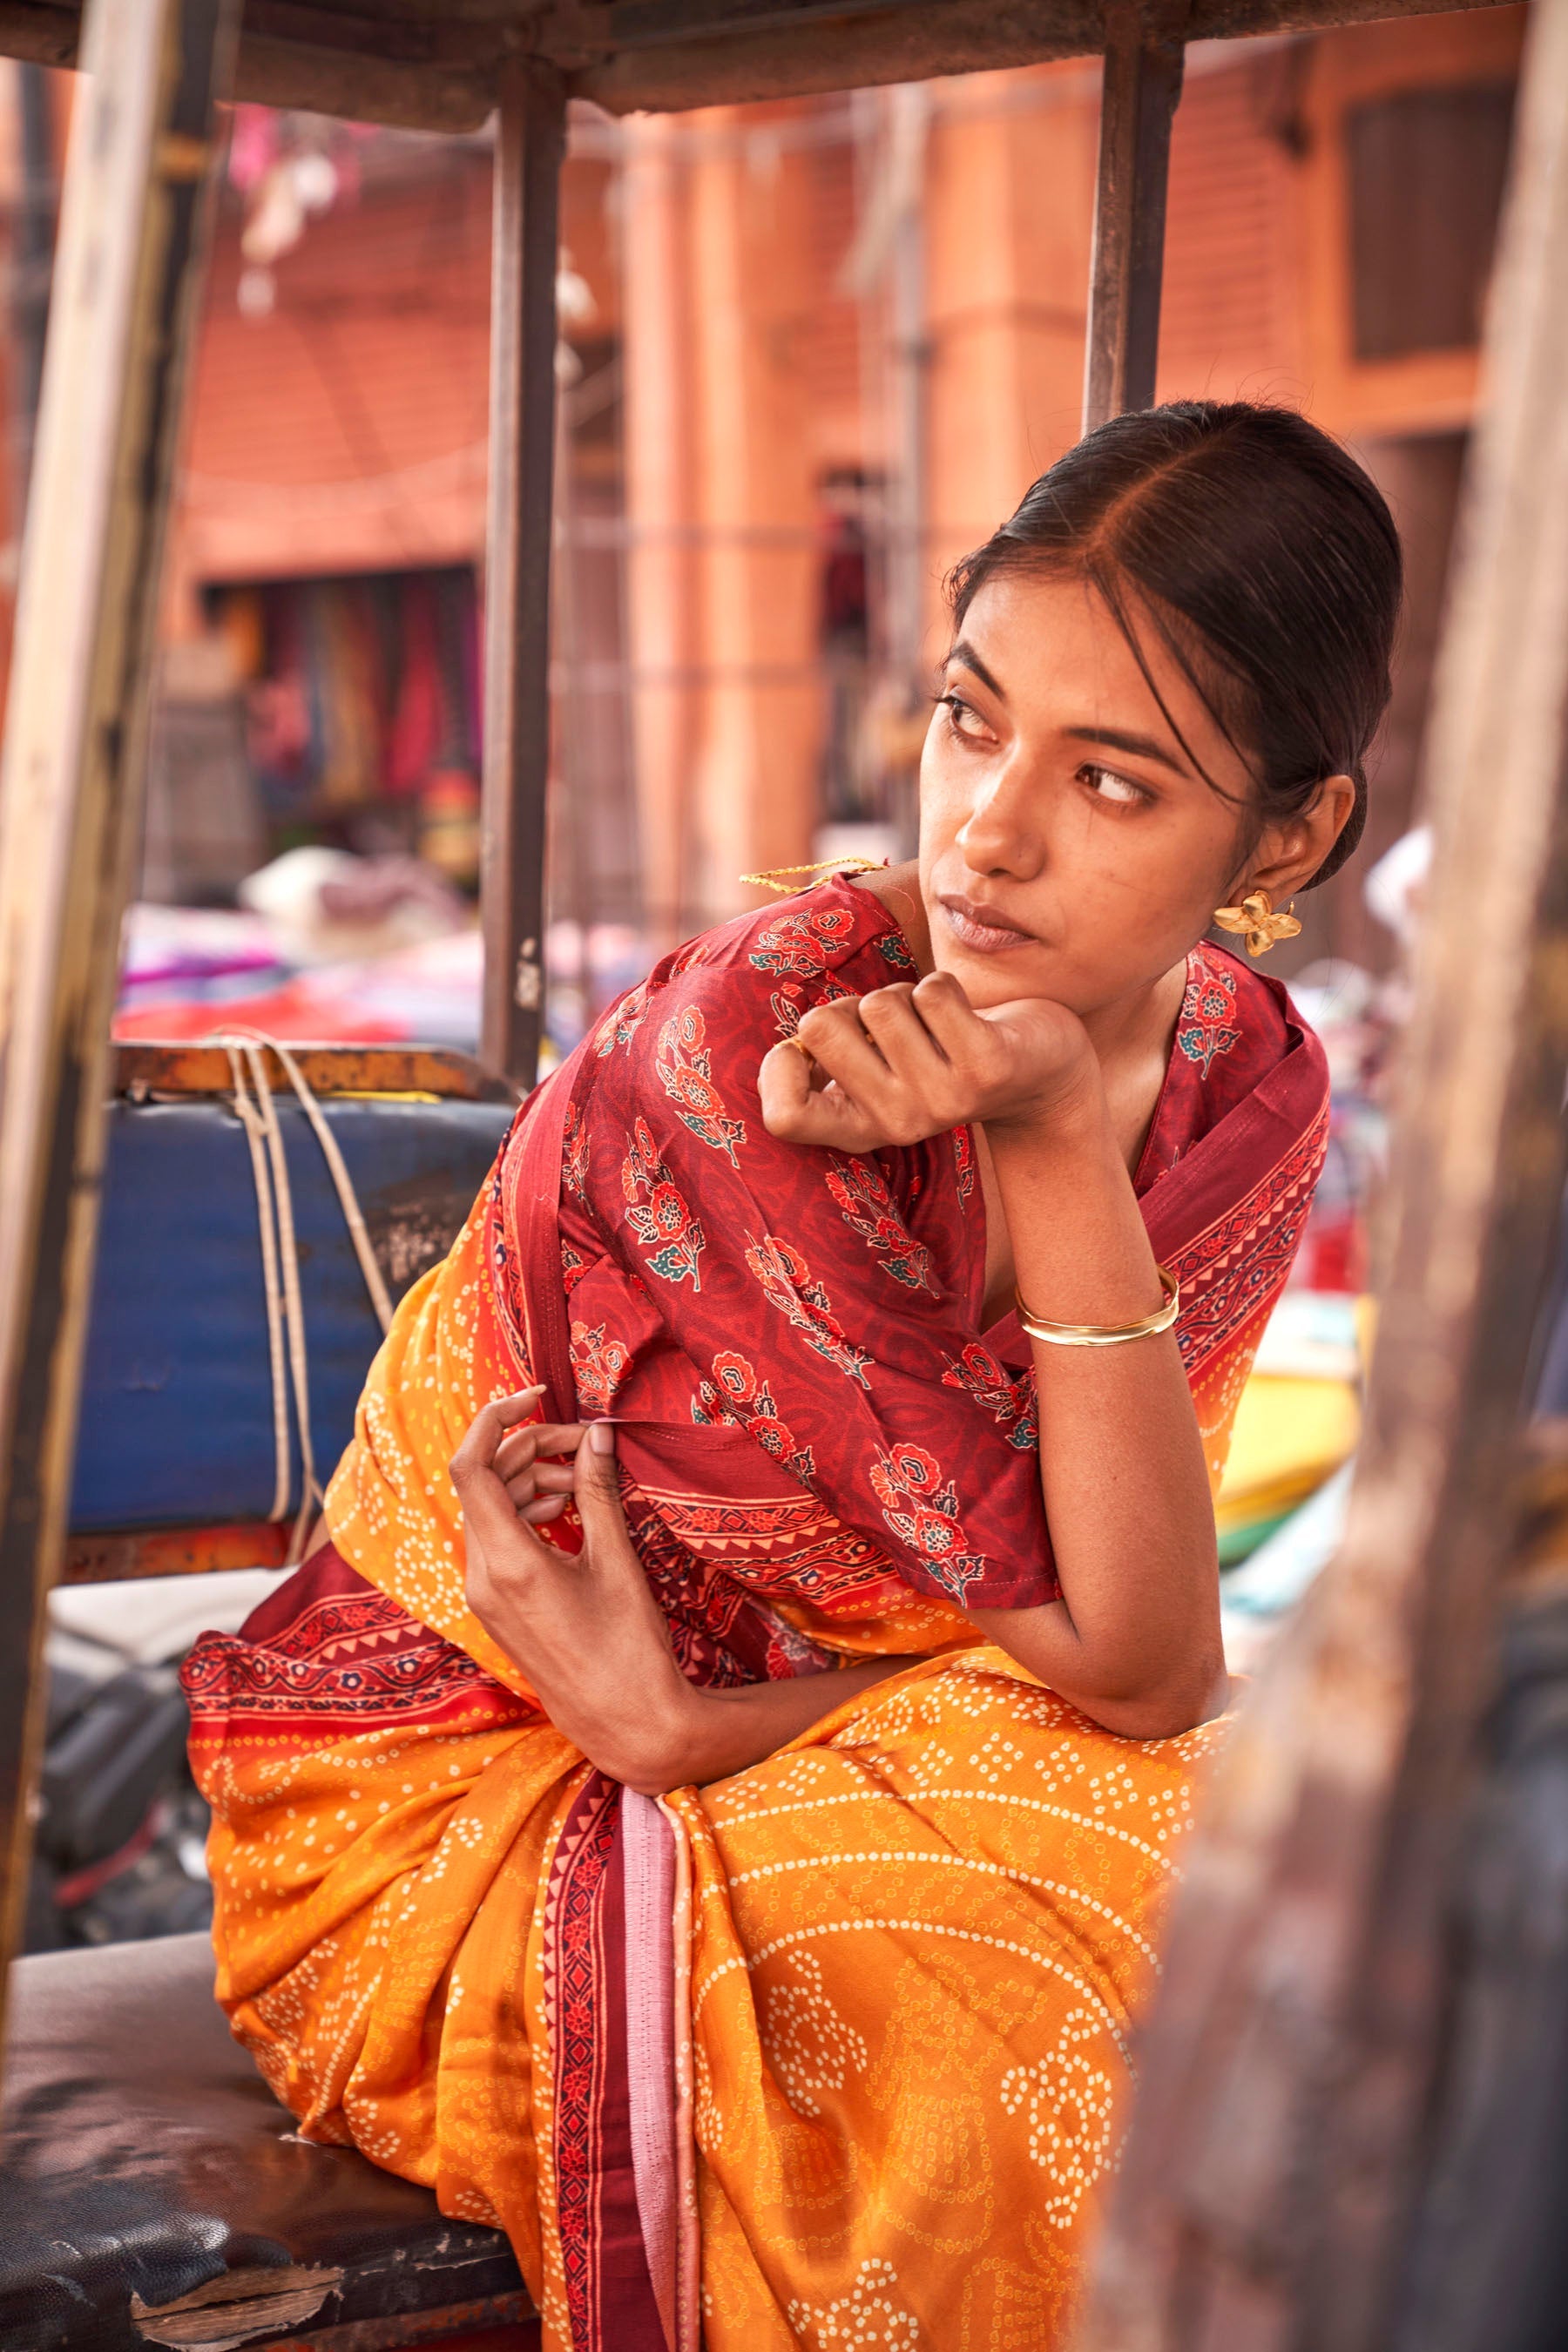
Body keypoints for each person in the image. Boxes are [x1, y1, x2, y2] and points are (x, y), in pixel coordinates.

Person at [184, 401, 1402, 2352]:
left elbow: (1132, 1652)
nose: (987, 831)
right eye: (969, 716)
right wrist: (655, 1740)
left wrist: (1054, 1142)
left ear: (1293, 833)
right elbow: (1132, 1664)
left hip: (729, 1735)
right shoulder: (768, 1044)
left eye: (1115, 782)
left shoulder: (1237, 1082)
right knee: (1023, 2033)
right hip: (463, 1794)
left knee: (1351, 1925)